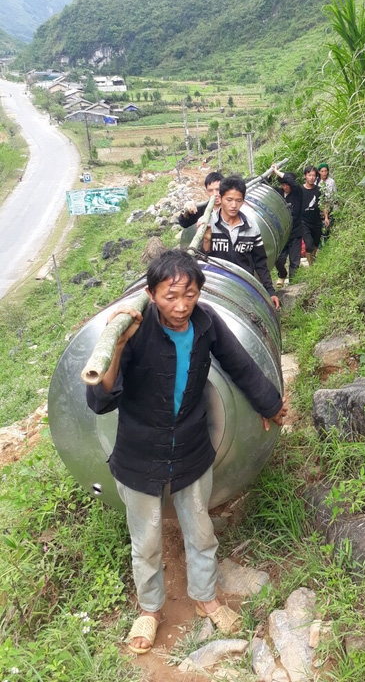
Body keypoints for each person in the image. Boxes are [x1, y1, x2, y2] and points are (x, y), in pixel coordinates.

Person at [86, 250, 285, 655]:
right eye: (170, 296)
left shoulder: (207, 322)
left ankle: (205, 596)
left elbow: (240, 364)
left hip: (192, 447)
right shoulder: (134, 332)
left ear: (199, 293)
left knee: (200, 530)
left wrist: (271, 403)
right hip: (139, 454)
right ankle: (150, 608)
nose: (181, 306)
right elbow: (99, 402)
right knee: (145, 540)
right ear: (151, 293)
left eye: (189, 294)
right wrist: (119, 345)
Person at [202, 175, 280, 310]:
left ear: (243, 201)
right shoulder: (209, 223)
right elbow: (201, 260)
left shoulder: (251, 227)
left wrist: (270, 291)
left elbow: (260, 262)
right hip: (216, 288)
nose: (233, 205)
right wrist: (207, 239)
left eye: (238, 200)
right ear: (220, 198)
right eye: (229, 200)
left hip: (243, 287)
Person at [271, 165, 303, 288]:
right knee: (278, 259)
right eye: (283, 185)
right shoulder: (278, 193)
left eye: (287, 184)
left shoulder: (298, 193)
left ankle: (293, 284)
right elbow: (264, 185)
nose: (286, 187)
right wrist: (270, 174)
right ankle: (282, 274)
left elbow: (292, 182)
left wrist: (277, 172)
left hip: (295, 232)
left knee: (294, 261)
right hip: (282, 234)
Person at [301, 165, 327, 267]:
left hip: (316, 221)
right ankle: (311, 264)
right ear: (305, 176)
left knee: (315, 244)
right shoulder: (300, 190)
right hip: (304, 221)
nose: (311, 177)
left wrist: (325, 217)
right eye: (309, 175)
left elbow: (323, 204)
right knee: (309, 244)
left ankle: (312, 260)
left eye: (314, 175)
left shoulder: (319, 190)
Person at [316, 163, 338, 243]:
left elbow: (335, 195)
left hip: (330, 206)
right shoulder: (316, 182)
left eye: (326, 171)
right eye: (322, 171)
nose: (324, 173)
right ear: (319, 172)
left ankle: (327, 241)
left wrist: (336, 209)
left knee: (328, 225)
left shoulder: (331, 182)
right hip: (320, 207)